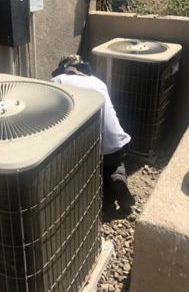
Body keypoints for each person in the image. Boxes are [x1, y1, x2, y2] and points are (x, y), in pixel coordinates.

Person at [51, 55, 135, 211]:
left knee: (93, 168)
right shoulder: (97, 82)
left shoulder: (59, 81)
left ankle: (107, 203)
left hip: (95, 149)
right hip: (119, 142)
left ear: (63, 69)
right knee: (113, 164)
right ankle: (118, 178)